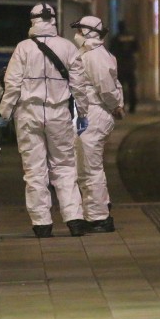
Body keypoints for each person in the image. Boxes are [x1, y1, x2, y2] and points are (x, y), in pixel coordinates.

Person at [0, 3, 90, 238]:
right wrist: (83, 112)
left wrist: (5, 113)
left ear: (33, 21)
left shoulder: (23, 49)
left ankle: (42, 223)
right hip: (59, 113)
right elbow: (79, 85)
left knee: (35, 170)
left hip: (29, 113)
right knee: (65, 166)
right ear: (53, 20)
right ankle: (74, 219)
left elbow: (13, 84)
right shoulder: (68, 47)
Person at [71, 16, 125, 233]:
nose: (77, 34)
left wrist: (115, 106)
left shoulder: (94, 56)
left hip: (95, 113)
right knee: (84, 165)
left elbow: (106, 87)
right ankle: (97, 209)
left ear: (88, 32)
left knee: (90, 167)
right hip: (90, 113)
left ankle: (99, 217)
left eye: (80, 30)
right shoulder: (91, 54)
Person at [111, 20, 139, 113]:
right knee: (132, 87)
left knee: (120, 87)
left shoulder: (116, 38)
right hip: (130, 65)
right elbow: (137, 49)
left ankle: (122, 106)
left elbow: (112, 51)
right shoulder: (132, 37)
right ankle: (132, 106)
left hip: (120, 65)